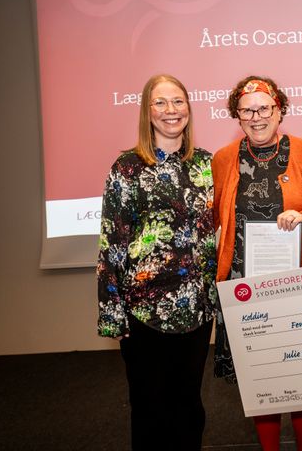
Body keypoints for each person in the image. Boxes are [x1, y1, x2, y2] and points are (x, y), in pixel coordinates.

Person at [211, 76, 302, 451]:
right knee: (260, 379)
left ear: (279, 109)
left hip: (298, 285)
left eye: (264, 107)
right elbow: (210, 219)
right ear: (237, 114)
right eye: (247, 109)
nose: (256, 116)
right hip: (245, 289)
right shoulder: (223, 159)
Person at [96, 74, 217, 451]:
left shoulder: (206, 164)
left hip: (196, 310)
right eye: (161, 103)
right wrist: (111, 312)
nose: (171, 111)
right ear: (147, 112)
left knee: (189, 407)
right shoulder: (127, 167)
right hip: (143, 311)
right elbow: (111, 243)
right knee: (150, 409)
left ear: (189, 109)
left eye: (178, 101)